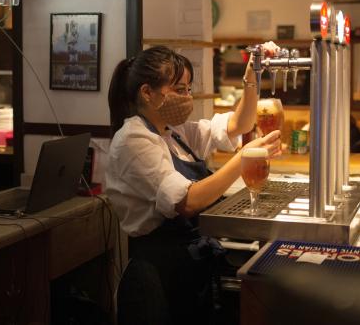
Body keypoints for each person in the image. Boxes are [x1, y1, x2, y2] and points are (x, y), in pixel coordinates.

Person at [106, 44, 281, 324]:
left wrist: (252, 73)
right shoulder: (133, 141)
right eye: (178, 89)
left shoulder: (175, 134)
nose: (187, 97)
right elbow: (188, 202)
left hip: (190, 264)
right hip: (158, 273)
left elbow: (240, 123)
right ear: (147, 92)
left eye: (188, 89)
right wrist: (245, 159)